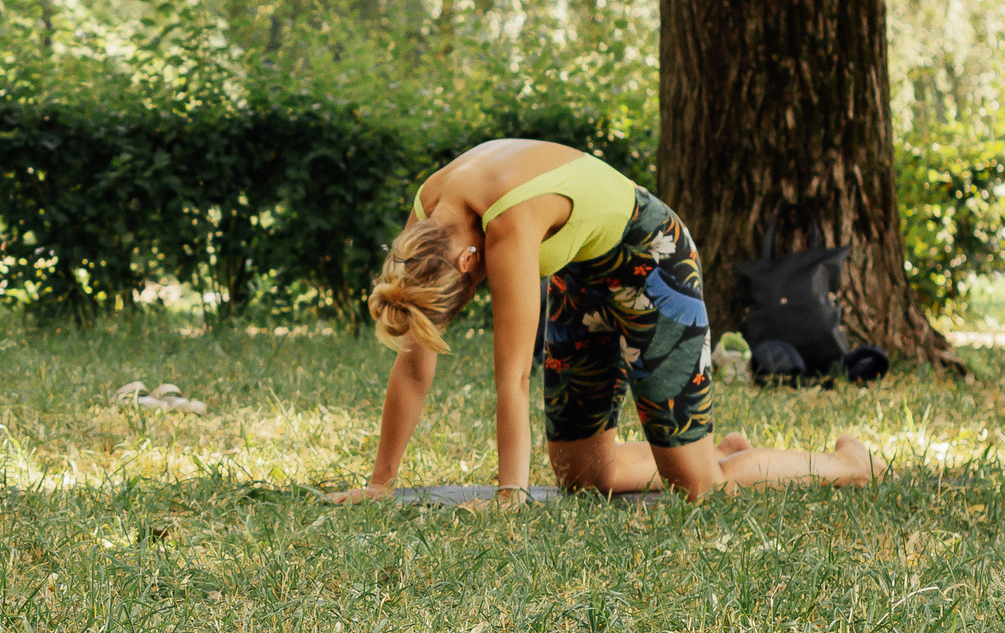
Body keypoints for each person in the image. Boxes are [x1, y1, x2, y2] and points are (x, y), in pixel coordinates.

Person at [333, 139, 881, 503]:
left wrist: (510, 496)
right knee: (586, 480)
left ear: (470, 264)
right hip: (583, 276)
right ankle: (717, 448)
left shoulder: (509, 225)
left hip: (653, 262)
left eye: (471, 290)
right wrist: (381, 483)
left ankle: (849, 465)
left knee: (698, 489)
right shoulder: (427, 217)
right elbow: (413, 363)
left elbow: (511, 380)